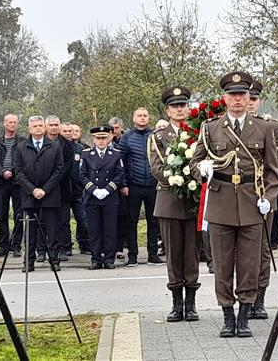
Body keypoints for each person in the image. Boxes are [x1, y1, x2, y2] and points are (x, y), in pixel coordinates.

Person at [190, 71, 278, 338]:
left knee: (250, 263)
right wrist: (202, 167)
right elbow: (195, 163)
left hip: (253, 202)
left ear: (248, 97)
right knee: (222, 262)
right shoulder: (210, 128)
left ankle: (244, 317)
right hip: (220, 201)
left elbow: (272, 171)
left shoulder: (263, 128)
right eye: (233, 94)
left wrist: (269, 199)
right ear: (225, 98)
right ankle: (227, 315)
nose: (238, 99)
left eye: (242, 94)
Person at [149, 86, 201, 323]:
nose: (180, 110)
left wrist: (195, 180)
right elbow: (157, 168)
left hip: (193, 201)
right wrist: (180, 178)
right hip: (169, 199)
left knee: (191, 252)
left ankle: (191, 305)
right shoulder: (158, 137)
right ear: (167, 110)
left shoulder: (199, 133)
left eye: (183, 105)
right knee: (173, 253)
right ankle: (176, 304)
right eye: (175, 106)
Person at [247, 79, 278, 320]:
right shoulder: (229, 125)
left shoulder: (270, 125)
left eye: (254, 99)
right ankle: (244, 297)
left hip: (263, 192)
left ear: (258, 101)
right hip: (237, 193)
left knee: (262, 248)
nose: (250, 103)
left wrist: (260, 167)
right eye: (247, 98)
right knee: (241, 251)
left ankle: (259, 299)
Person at [14, 115, 65, 272]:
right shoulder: (21, 147)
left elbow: (59, 169)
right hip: (29, 195)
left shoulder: (54, 146)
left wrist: (45, 189)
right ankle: (28, 262)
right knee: (30, 230)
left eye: (40, 126)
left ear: (45, 128)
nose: (37, 128)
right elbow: (18, 171)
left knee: (52, 229)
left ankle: (54, 260)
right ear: (29, 128)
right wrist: (32, 189)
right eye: (34, 126)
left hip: (50, 194)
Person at [118, 107, 163, 266]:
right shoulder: (127, 137)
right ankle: (132, 255)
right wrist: (123, 184)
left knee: (153, 220)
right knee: (132, 221)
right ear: (134, 118)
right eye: (139, 115)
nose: (142, 118)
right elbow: (120, 162)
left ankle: (152, 254)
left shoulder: (155, 136)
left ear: (148, 118)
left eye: (145, 115)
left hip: (153, 184)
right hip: (133, 185)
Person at [80, 125, 125, 269]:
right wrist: (93, 190)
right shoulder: (86, 154)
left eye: (104, 138)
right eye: (98, 138)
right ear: (93, 139)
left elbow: (119, 175)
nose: (101, 141)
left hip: (109, 197)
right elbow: (82, 175)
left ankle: (109, 259)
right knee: (94, 230)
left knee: (109, 230)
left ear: (109, 138)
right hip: (92, 197)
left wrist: (107, 190)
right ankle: (96, 258)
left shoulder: (116, 154)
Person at [0, 114, 26, 257]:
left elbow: (24, 160)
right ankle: (3, 246)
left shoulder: (22, 141)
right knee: (2, 215)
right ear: (4, 124)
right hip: (0, 182)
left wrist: (13, 171)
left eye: (15, 122)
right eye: (10, 122)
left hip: (17, 182)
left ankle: (16, 246)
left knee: (19, 214)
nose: (13, 124)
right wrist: (2, 171)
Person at [45, 116, 76, 261]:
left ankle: (64, 248)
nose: (54, 127)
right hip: (44, 189)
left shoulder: (67, 145)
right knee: (44, 220)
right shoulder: (41, 143)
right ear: (46, 126)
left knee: (63, 221)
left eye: (56, 124)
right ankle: (42, 250)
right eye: (51, 125)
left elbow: (67, 167)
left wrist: (53, 180)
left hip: (62, 188)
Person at [61, 123, 91, 255]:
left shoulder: (80, 148)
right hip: (63, 190)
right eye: (66, 131)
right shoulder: (57, 147)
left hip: (78, 190)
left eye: (71, 131)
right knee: (64, 221)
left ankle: (84, 244)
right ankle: (67, 247)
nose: (69, 133)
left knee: (83, 219)